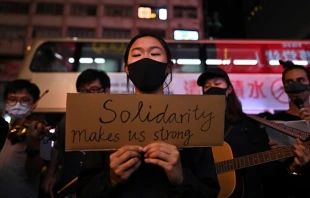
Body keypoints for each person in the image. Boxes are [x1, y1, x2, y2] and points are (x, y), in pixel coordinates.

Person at [75, 33, 220, 198]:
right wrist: (110, 179)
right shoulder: (104, 121)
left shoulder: (193, 120)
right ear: (127, 68)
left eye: (155, 54)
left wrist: (181, 178)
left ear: (168, 67)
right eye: (137, 54)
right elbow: (84, 191)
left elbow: (211, 191)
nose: (146, 60)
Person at [197, 66, 310, 198]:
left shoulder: (250, 124)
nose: (212, 88)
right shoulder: (196, 124)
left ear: (229, 89)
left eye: (217, 83)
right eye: (207, 86)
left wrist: (291, 168)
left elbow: (266, 169)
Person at [42, 69, 111, 198]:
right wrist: (51, 174)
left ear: (107, 90)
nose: (88, 95)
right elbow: (58, 146)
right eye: (83, 91)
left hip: (102, 184)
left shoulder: (115, 118)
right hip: (71, 181)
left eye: (94, 89)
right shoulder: (70, 118)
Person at [267, 60, 310, 198]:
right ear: (284, 87)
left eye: (300, 80)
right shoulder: (274, 122)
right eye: (289, 82)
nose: (295, 85)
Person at [0, 79, 46, 198]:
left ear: (34, 104)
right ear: (6, 103)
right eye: (13, 99)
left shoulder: (38, 130)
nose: (18, 104)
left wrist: (33, 146)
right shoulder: (5, 129)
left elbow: (35, 171)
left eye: (25, 100)